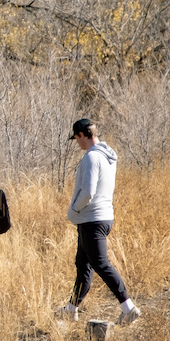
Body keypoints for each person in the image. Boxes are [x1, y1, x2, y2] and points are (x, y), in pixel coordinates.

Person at [56, 119, 140, 325]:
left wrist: (74, 209)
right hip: (101, 217)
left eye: (77, 138)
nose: (77, 142)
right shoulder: (108, 155)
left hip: (92, 218)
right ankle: (71, 309)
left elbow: (88, 192)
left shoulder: (92, 157)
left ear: (83, 135)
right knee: (83, 264)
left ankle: (128, 308)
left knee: (100, 264)